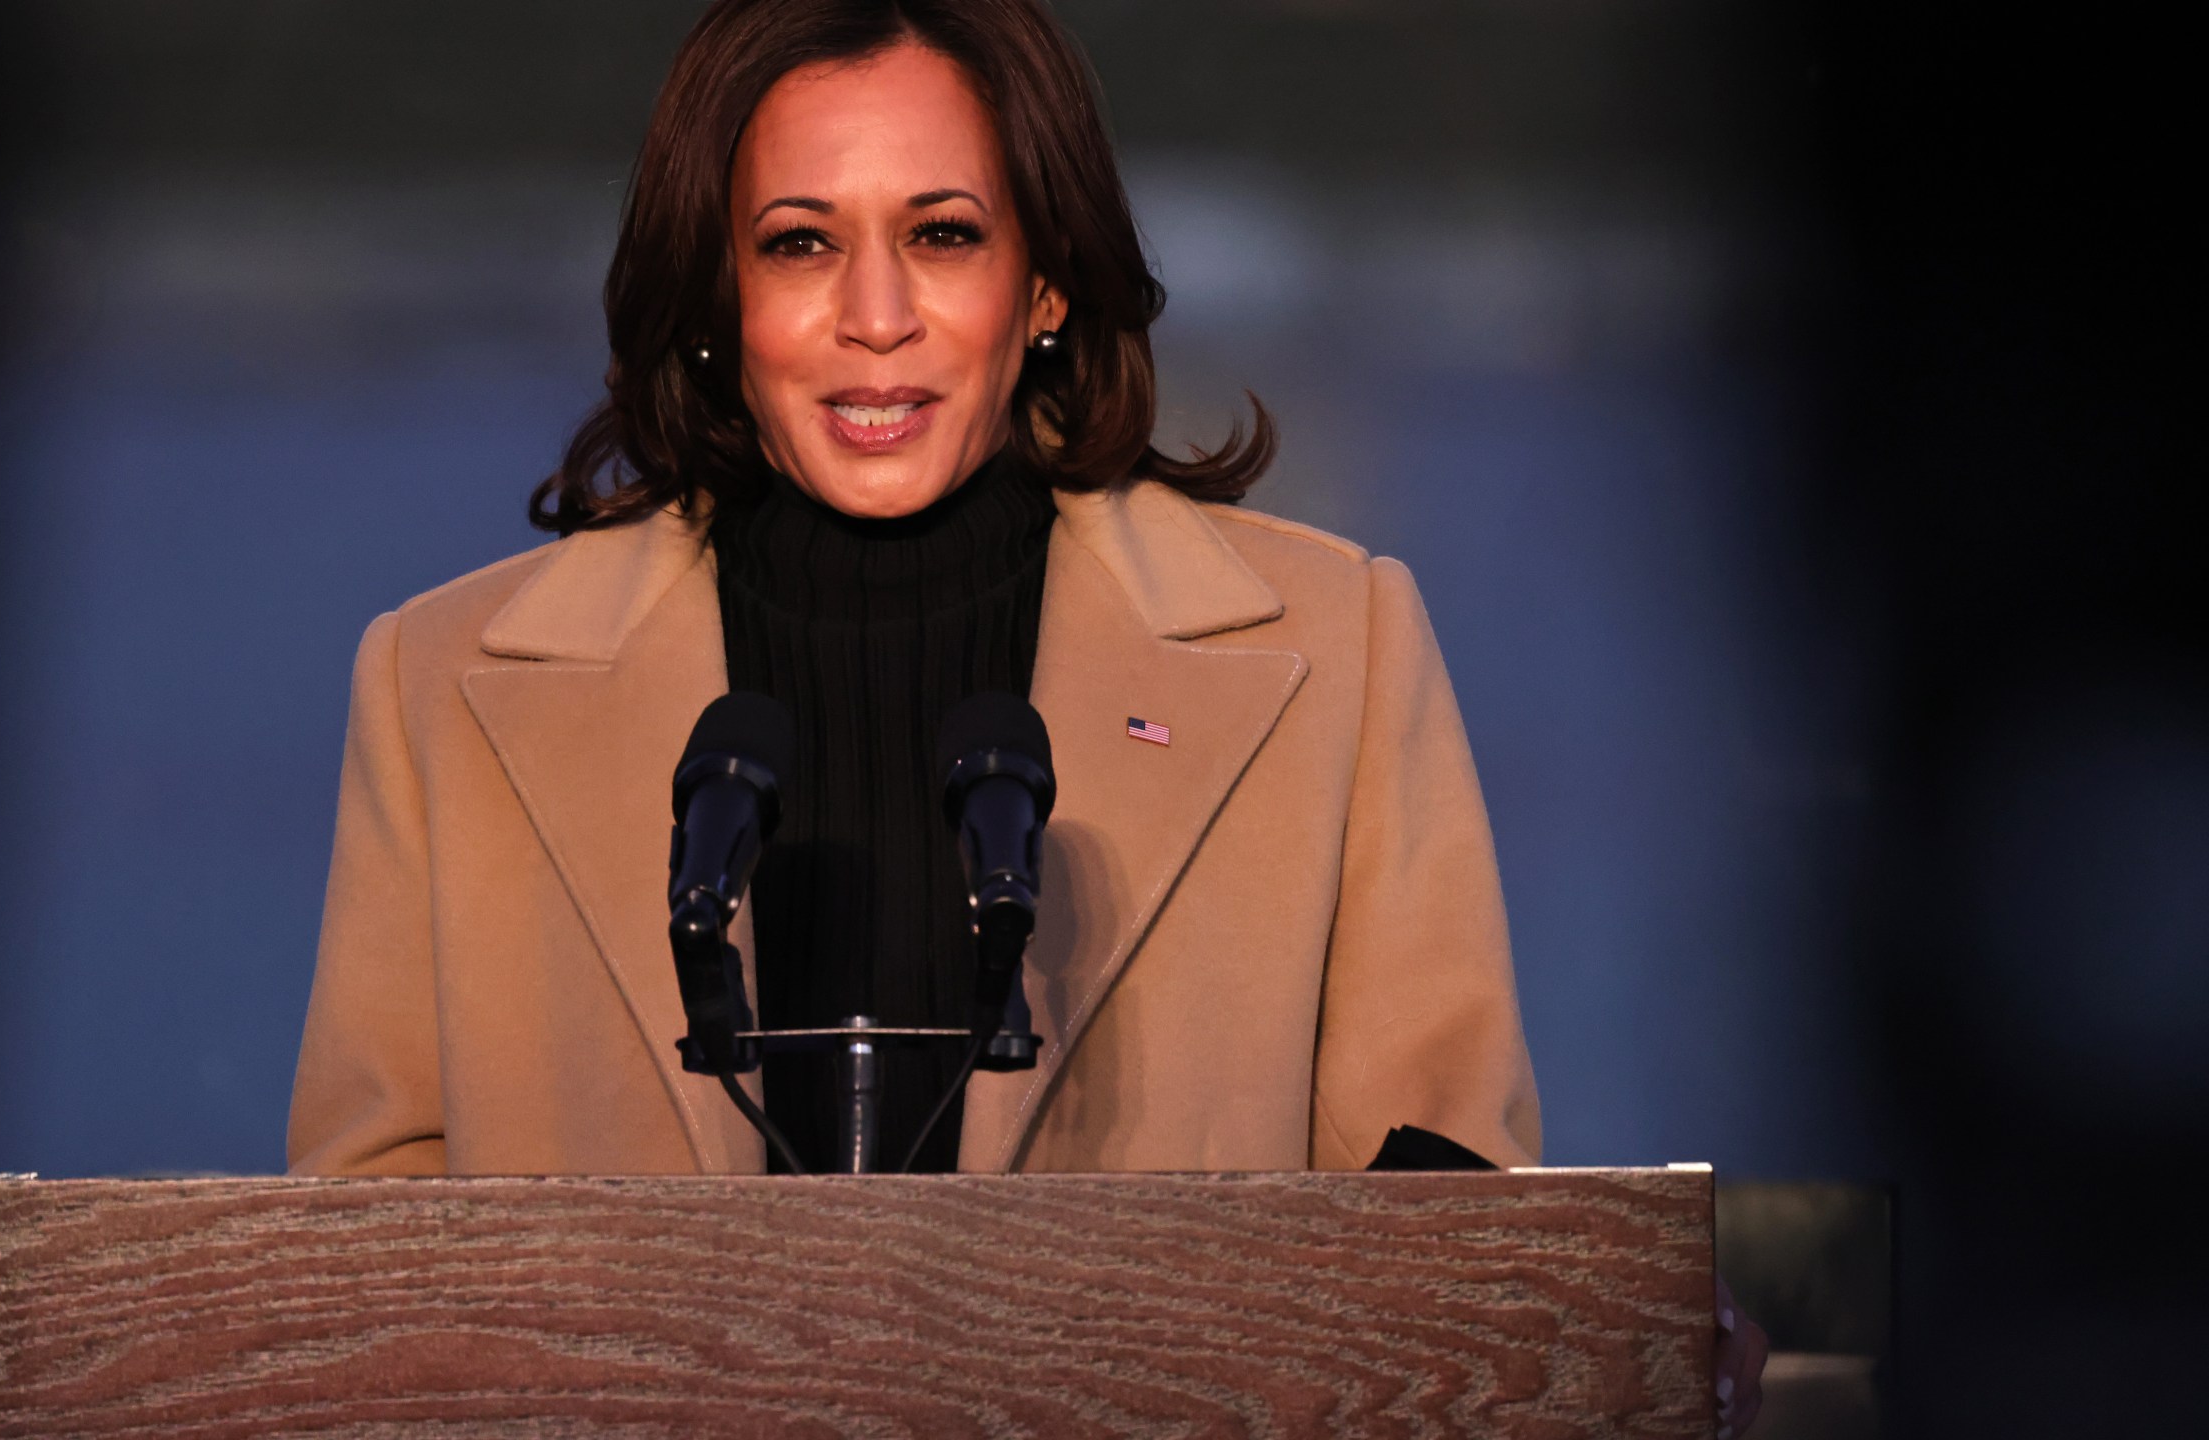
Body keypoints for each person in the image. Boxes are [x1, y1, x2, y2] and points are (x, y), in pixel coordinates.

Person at [284, 0, 1761, 1430]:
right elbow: (359, 1269)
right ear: (718, 296)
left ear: (1045, 283)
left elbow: (1444, 1210)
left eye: (944, 235)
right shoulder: (440, 684)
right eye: (800, 244)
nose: (878, 318)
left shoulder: (1335, 647)